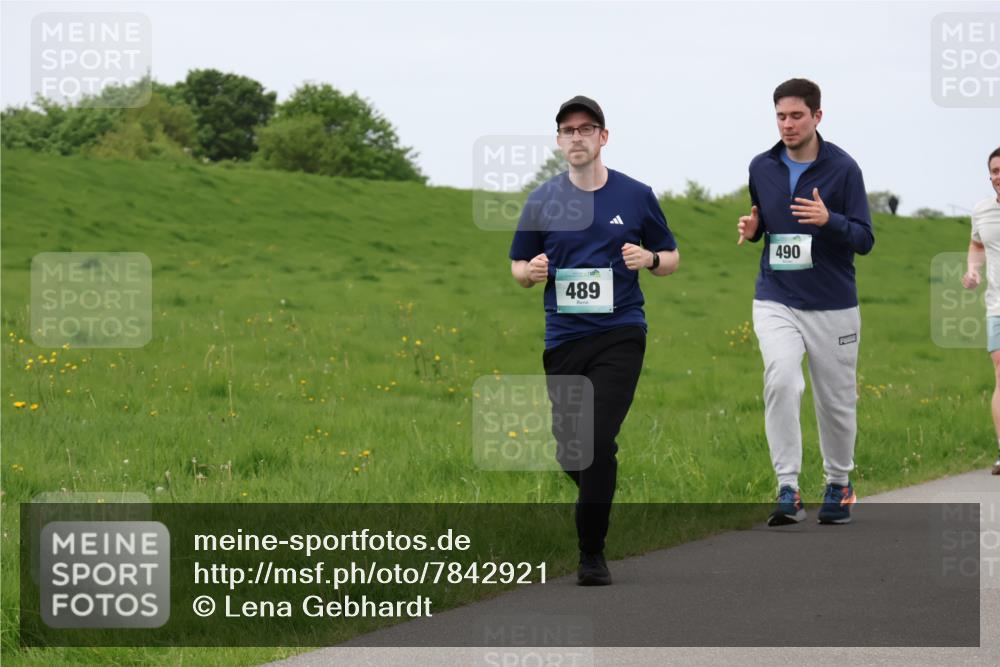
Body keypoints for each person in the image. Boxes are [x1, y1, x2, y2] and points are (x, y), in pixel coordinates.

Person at [509, 95, 679, 585]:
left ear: (603, 137)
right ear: (559, 141)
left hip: (620, 334)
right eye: (567, 130)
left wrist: (648, 260)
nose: (576, 137)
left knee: (595, 439)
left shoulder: (636, 194)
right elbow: (518, 265)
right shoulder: (542, 199)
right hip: (564, 338)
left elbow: (670, 256)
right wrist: (530, 272)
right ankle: (599, 488)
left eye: (586, 129)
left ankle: (591, 554)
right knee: (571, 450)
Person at [736, 78, 874, 525]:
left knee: (835, 401)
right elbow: (767, 226)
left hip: (833, 303)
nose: (788, 124)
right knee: (781, 381)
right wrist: (754, 230)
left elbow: (864, 239)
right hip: (777, 297)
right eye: (781, 116)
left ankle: (839, 483)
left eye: (797, 116)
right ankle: (788, 488)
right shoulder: (761, 167)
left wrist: (829, 219)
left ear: (817, 116)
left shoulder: (844, 169)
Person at [961, 146, 1000, 475]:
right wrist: (973, 270)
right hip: (997, 306)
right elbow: (977, 244)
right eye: (995, 170)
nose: (999, 176)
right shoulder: (982, 211)